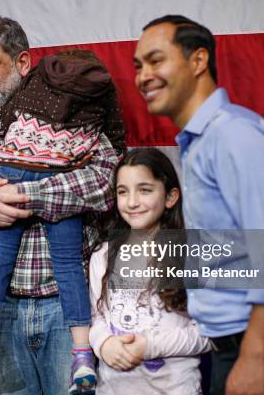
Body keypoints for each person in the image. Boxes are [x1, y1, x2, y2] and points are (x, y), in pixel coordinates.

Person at [133, 15, 264, 395]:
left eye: (156, 60)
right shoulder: (201, 142)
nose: (143, 75)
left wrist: (254, 355)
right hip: (235, 345)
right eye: (138, 65)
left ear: (198, 61)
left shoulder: (234, 136)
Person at [0, 15, 121, 395]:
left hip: (66, 309)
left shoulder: (70, 112)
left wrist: (23, 194)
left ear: (22, 64)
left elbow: (107, 184)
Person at [89, 148, 211, 394]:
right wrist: (104, 344)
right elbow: (96, 318)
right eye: (123, 192)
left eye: (145, 190)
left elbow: (208, 334)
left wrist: (149, 346)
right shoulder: (103, 255)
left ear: (170, 197)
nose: (132, 202)